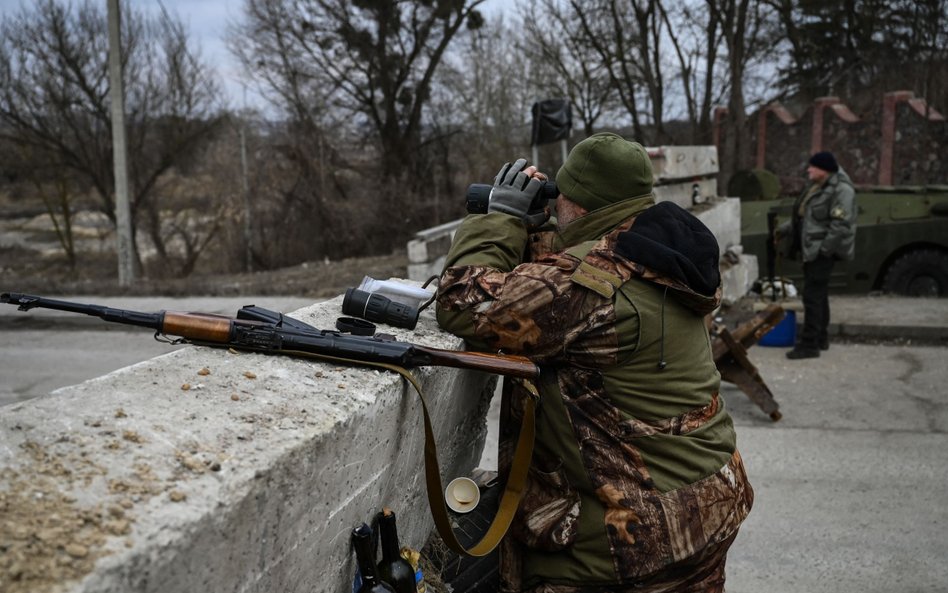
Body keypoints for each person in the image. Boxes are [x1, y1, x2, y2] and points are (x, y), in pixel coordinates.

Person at [436, 132, 753, 593]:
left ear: (578, 204)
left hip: (625, 546)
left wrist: (500, 219)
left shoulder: (590, 282)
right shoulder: (667, 251)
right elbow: (567, 287)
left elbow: (462, 302)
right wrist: (543, 231)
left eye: (560, 195)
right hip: (708, 507)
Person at [781, 151, 856, 359]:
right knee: (819, 295)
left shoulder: (842, 190)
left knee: (812, 296)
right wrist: (785, 229)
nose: (808, 170)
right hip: (811, 249)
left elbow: (841, 225)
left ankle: (809, 344)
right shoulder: (817, 187)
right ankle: (821, 338)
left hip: (822, 252)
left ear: (824, 170)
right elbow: (805, 217)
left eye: (812, 167)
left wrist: (824, 250)